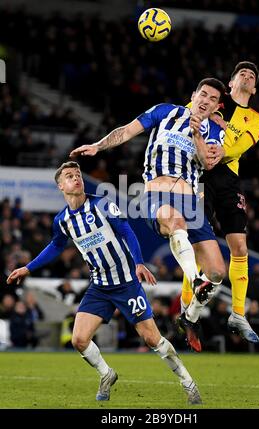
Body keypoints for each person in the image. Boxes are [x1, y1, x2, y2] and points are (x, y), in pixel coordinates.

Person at [7, 161, 201, 405]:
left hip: (126, 283)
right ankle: (106, 374)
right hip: (99, 286)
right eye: (69, 176)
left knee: (152, 339)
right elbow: (56, 245)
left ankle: (189, 384)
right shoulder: (63, 220)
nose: (76, 178)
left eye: (77, 174)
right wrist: (28, 267)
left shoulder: (102, 203)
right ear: (60, 186)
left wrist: (139, 262)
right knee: (78, 340)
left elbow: (127, 231)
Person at [70, 78, 227, 352]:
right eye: (203, 94)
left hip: (191, 199)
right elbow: (127, 131)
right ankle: (194, 277)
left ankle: (189, 318)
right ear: (194, 95)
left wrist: (197, 135)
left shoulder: (214, 128)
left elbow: (208, 162)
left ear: (216, 106)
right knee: (174, 221)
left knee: (217, 272)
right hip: (157, 194)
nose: (206, 101)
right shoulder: (165, 111)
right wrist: (98, 145)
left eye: (212, 99)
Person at [182, 62, 259, 344]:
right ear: (230, 83)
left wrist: (220, 150)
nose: (247, 75)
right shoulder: (214, 100)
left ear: (253, 88)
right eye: (241, 72)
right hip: (201, 175)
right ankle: (186, 308)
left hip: (228, 179)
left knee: (240, 246)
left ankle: (238, 314)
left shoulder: (256, 119)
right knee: (200, 243)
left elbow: (241, 146)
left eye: (251, 75)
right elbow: (188, 116)